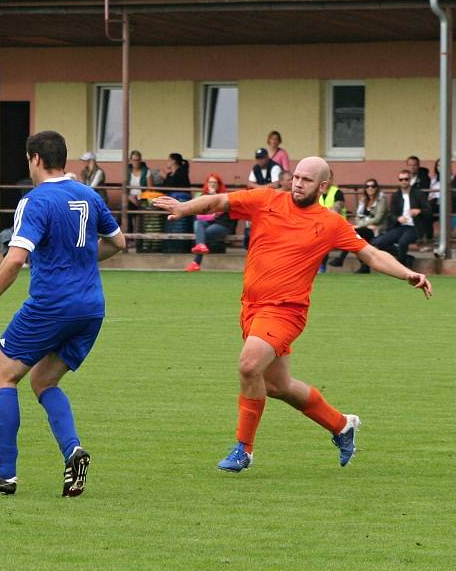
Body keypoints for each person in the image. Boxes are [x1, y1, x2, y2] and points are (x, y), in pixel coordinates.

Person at [153, 156, 431, 473]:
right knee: (277, 386)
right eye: (296, 177)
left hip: (286, 311)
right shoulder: (265, 200)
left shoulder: (330, 223)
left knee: (248, 366)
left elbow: (370, 254)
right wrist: (183, 208)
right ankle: (342, 425)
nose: (298, 183)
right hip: (252, 307)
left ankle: (244, 449)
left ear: (323, 186)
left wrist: (407, 274)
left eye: (306, 180)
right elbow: (220, 200)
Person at [0, 130, 125, 497]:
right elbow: (119, 242)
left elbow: (16, 258)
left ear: (35, 159)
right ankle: (73, 450)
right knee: (43, 381)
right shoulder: (89, 194)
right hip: (91, 307)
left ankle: (4, 473)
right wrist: (81, 260)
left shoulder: (35, 201)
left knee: (3, 374)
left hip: (52, 304)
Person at [329, 179, 387, 272]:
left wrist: (361, 225)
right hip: (365, 229)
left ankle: (342, 259)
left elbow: (377, 218)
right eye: (367, 186)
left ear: (376, 188)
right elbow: (358, 216)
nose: (370, 188)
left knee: (353, 234)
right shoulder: (363, 200)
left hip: (376, 229)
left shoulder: (381, 200)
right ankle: (364, 266)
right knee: (356, 237)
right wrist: (362, 225)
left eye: (372, 186)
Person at [372, 170, 426, 268]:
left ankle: (401, 267)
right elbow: (391, 214)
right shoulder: (396, 195)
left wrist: (419, 211)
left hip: (414, 226)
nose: (404, 181)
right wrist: (398, 218)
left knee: (402, 242)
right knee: (380, 242)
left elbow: (429, 211)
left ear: (410, 180)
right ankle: (406, 258)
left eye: (406, 179)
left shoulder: (419, 194)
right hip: (400, 226)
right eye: (401, 179)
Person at [185, 173, 235, 272]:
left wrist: (213, 196)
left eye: (215, 182)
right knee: (198, 223)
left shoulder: (224, 196)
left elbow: (218, 213)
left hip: (222, 225)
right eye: (210, 182)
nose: (212, 184)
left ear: (219, 184)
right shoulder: (202, 196)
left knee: (202, 236)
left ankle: (196, 262)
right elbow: (199, 215)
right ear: (207, 184)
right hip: (207, 223)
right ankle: (199, 251)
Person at [317, 168, 346, 272]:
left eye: (329, 178)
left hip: (338, 226)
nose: (326, 180)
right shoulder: (316, 192)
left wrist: (321, 212)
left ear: (332, 179)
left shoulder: (337, 192)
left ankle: (321, 267)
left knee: (322, 237)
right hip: (319, 225)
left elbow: (336, 209)